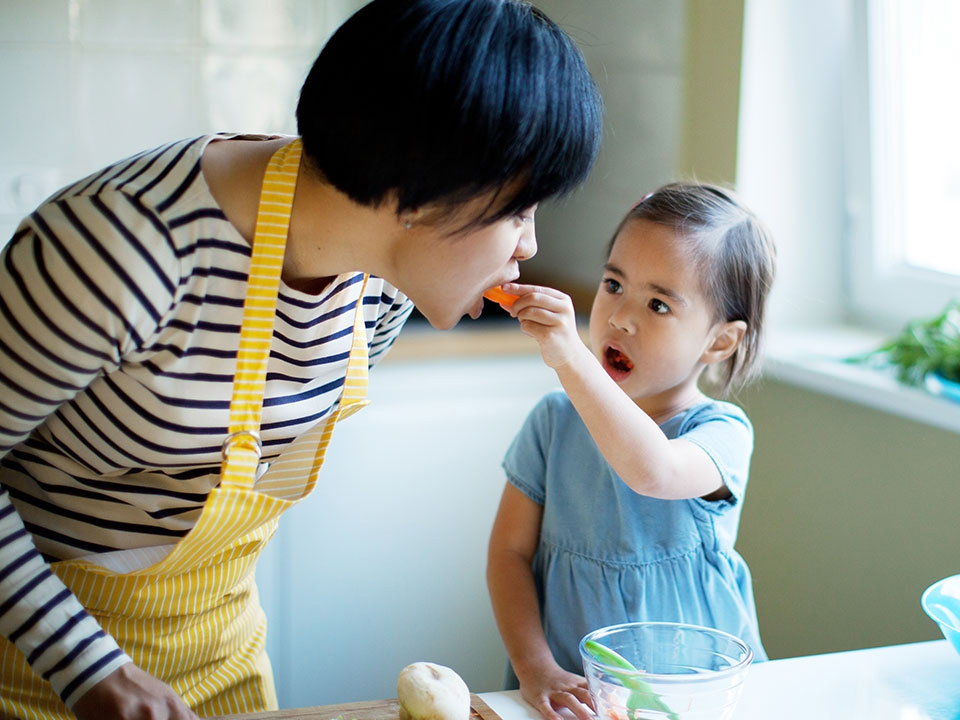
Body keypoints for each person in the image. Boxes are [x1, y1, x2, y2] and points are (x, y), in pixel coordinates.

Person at [0, 1, 603, 718]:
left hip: (223, 661)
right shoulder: (121, 253)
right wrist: (91, 669)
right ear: (422, 191)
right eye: (519, 209)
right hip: (33, 672)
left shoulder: (380, 289)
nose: (528, 246)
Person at [486, 182, 776, 720]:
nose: (620, 317)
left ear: (719, 342)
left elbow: (653, 471)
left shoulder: (721, 432)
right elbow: (508, 556)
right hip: (576, 698)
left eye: (659, 303)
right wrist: (535, 667)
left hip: (700, 697)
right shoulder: (554, 424)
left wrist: (570, 356)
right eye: (614, 284)